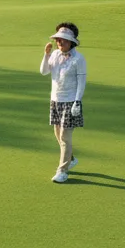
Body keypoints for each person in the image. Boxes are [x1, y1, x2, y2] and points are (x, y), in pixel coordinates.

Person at [40, 23, 86, 184]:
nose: (60, 42)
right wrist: (46, 55)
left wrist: (77, 102)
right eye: (58, 40)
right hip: (56, 100)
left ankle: (62, 171)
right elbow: (44, 71)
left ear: (71, 42)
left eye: (64, 40)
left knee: (65, 137)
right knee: (58, 134)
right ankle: (71, 159)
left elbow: (81, 82)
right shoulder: (54, 54)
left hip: (70, 101)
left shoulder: (78, 59)